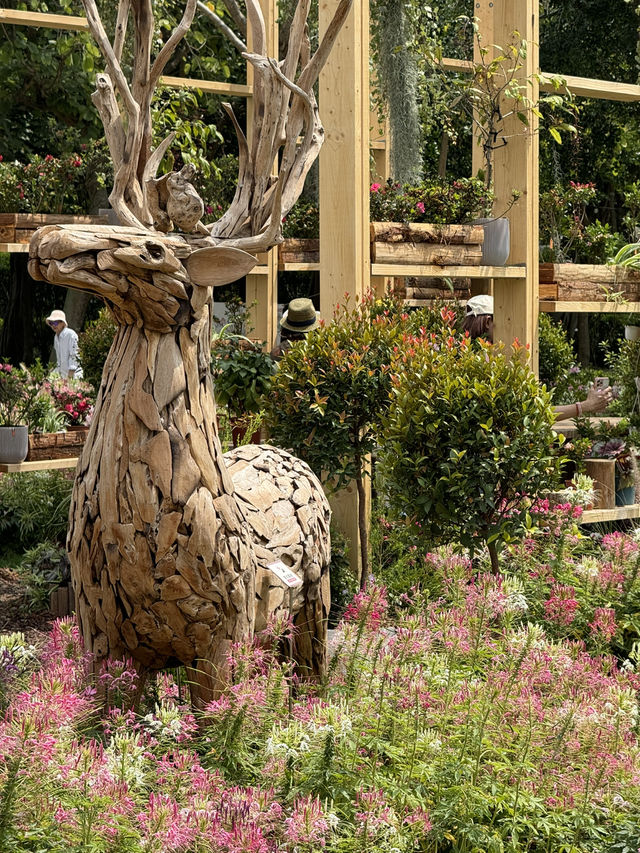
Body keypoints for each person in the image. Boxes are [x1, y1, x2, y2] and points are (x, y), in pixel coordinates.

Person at [462, 294, 613, 420]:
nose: (510, 325)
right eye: (507, 319)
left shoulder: (461, 356)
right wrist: (585, 406)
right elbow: (531, 414)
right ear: (488, 322)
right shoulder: (492, 363)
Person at [46, 309, 83, 379]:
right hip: (62, 377)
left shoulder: (71, 334)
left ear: (63, 323)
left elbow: (74, 357)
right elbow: (59, 362)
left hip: (74, 376)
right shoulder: (56, 338)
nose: (53, 325)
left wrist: (69, 378)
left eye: (56, 323)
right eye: (51, 323)